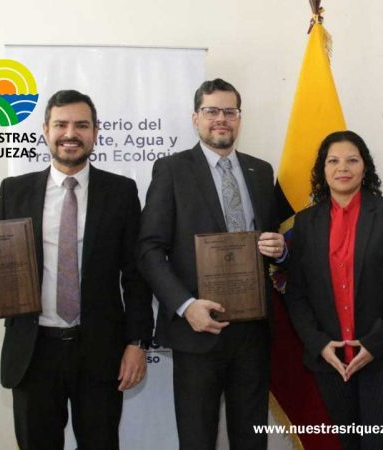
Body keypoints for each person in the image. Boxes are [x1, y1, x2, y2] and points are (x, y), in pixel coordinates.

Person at [0, 89, 153, 450]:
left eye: (81, 125)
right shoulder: (15, 191)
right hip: (33, 352)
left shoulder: (121, 192)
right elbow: (1, 263)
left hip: (100, 352)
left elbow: (135, 276)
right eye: (60, 124)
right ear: (45, 129)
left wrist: (136, 343)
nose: (70, 133)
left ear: (95, 131)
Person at [137, 78, 285, 449]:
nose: (222, 119)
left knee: (251, 440)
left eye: (229, 112)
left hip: (252, 334)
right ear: (195, 118)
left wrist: (280, 248)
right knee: (197, 439)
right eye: (212, 111)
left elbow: (276, 242)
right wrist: (186, 306)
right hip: (197, 332)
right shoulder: (171, 170)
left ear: (239, 118)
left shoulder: (261, 171)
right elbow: (150, 249)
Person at [284, 130, 383, 450]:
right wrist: (319, 344)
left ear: (365, 167)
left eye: (351, 160)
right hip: (331, 359)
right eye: (333, 160)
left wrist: (374, 343)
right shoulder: (304, 223)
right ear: (322, 169)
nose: (342, 167)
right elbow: (297, 293)